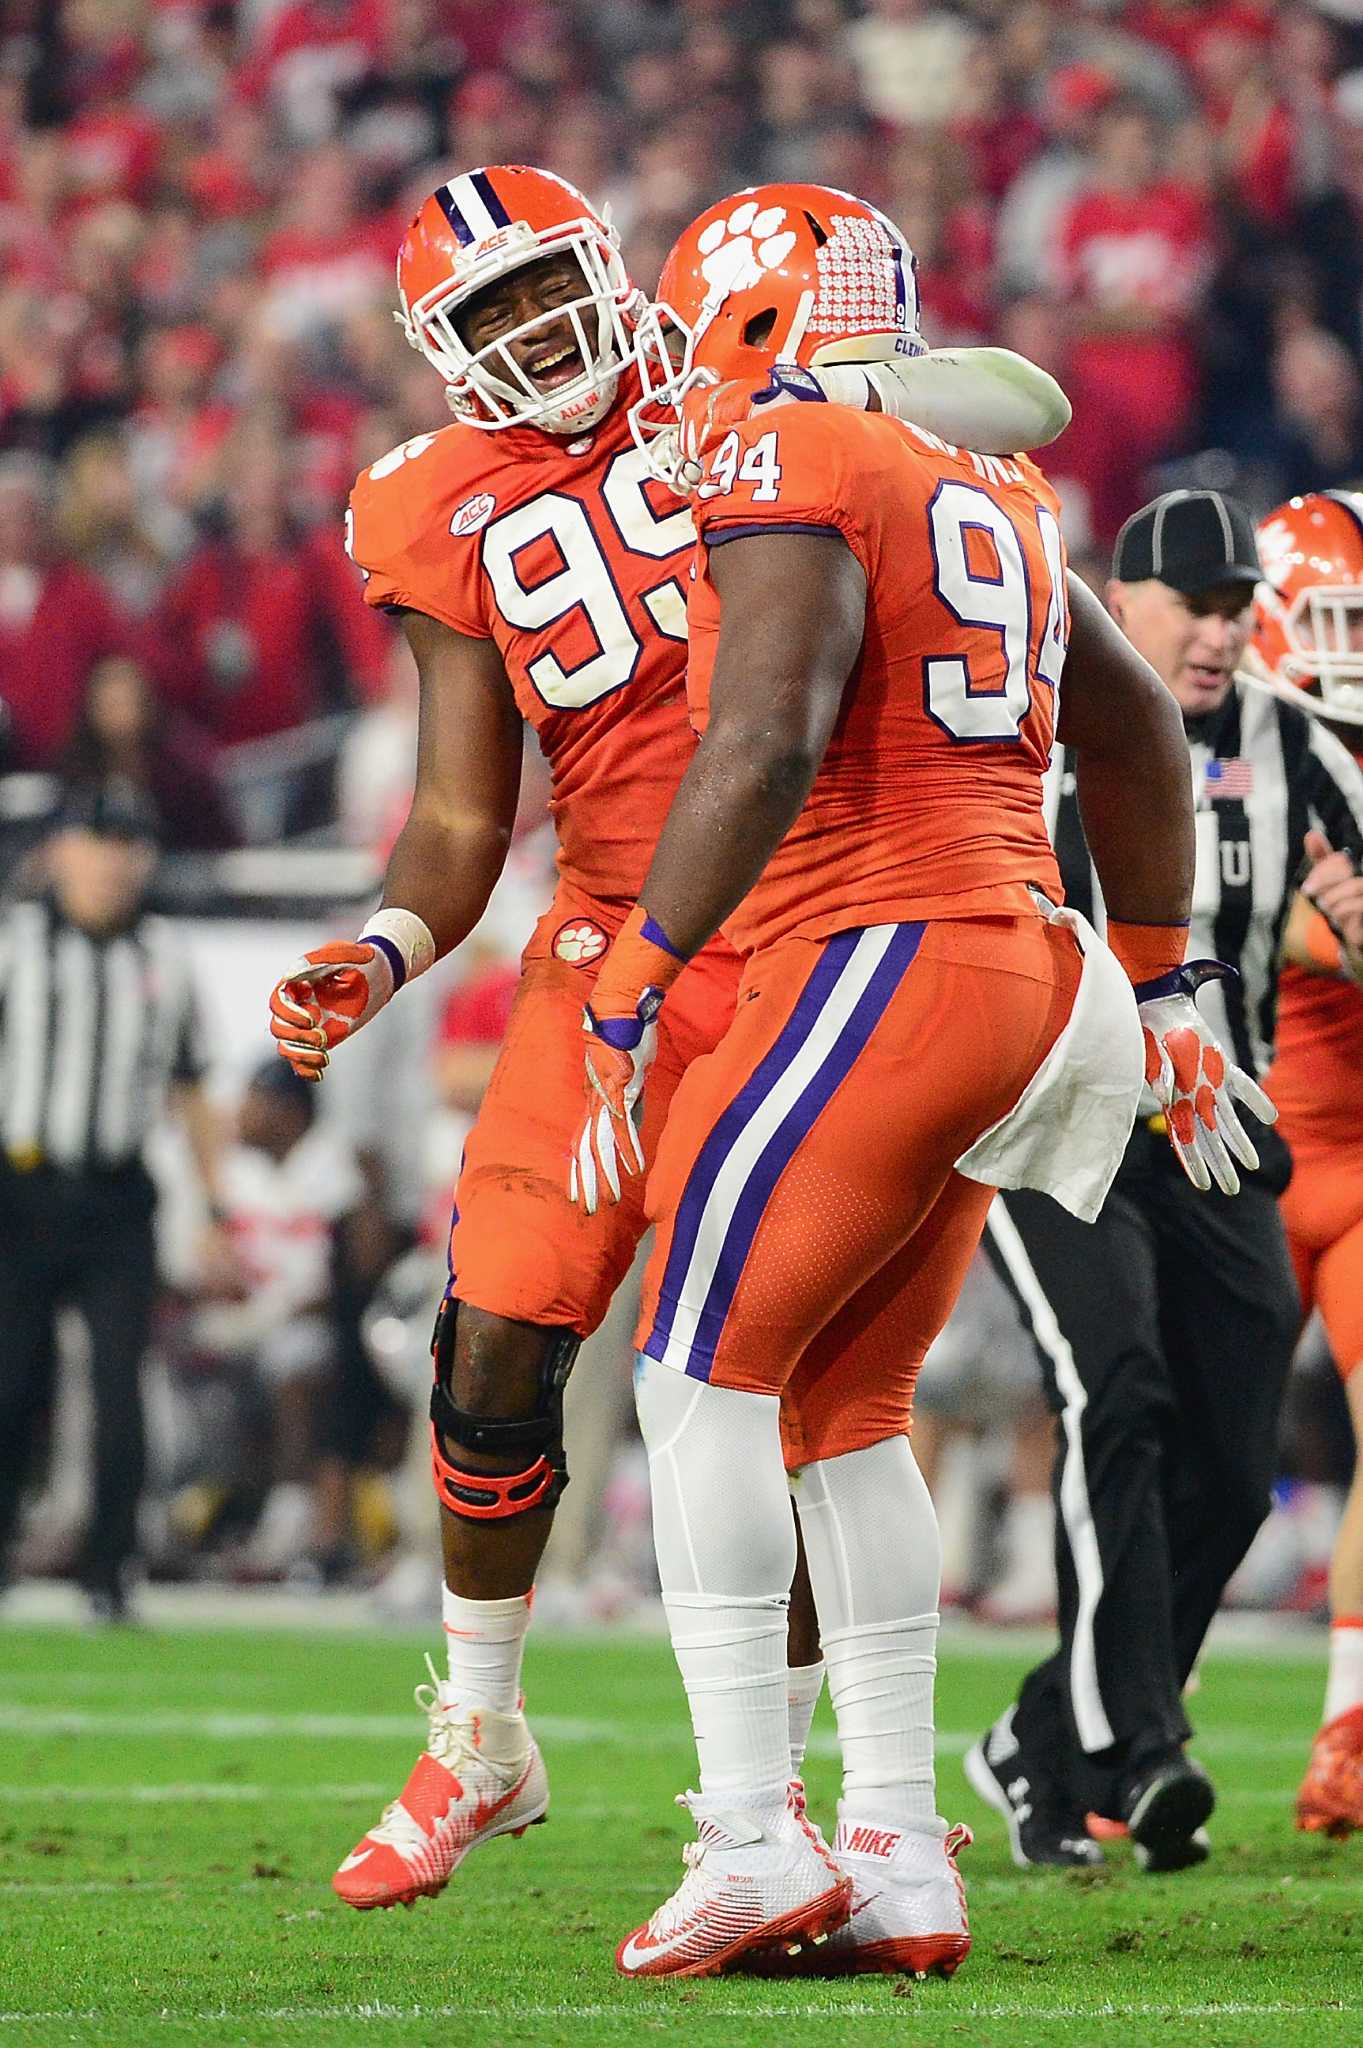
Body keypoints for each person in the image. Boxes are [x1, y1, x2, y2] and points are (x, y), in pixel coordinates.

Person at [264, 164, 1073, 1926]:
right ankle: (480, 1726)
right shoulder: (426, 501)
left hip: (810, 925)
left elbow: (1004, 408)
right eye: (488, 314)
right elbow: (465, 809)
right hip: (610, 934)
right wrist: (387, 946)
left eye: (550, 284)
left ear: (613, 269)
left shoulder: (744, 382)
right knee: (496, 1331)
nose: (536, 329)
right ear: (440, 351)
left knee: (776, 1381)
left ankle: (778, 1805)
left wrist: (844, 375)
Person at [565, 183, 1249, 1980]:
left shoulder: (795, 451)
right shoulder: (999, 488)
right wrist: (1168, 965)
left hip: (877, 951)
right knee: (845, 1410)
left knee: (694, 1375)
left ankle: (744, 1834)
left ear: (751, 318)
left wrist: (631, 981)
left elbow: (766, 730)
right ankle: (890, 1844)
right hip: (1026, 965)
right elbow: (1140, 730)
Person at [967, 489, 1363, 1875]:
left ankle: (1040, 1737)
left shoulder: (1294, 746)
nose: (1210, 629)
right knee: (1113, 1393)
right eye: (1186, 601)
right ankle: (1133, 1744)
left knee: (1232, 1467)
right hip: (1050, 1119)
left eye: (1227, 602)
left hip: (1215, 1130)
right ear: (1112, 601)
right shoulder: (1020, 725)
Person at [0, 780, 233, 1621]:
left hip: (116, 1196)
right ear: (58, 852)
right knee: (12, 1376)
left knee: (118, 1384)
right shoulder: (15, 946)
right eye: (94, 845)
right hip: (19, 1188)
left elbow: (193, 1091)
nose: (107, 865)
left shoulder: (165, 959)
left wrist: (213, 1206)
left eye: (123, 847)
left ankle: (110, 1568)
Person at [1251, 491, 1363, 1836]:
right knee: (1187, 1458)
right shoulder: (1231, 743)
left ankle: (1345, 1719)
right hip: (1251, 1156)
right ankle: (1099, 1730)